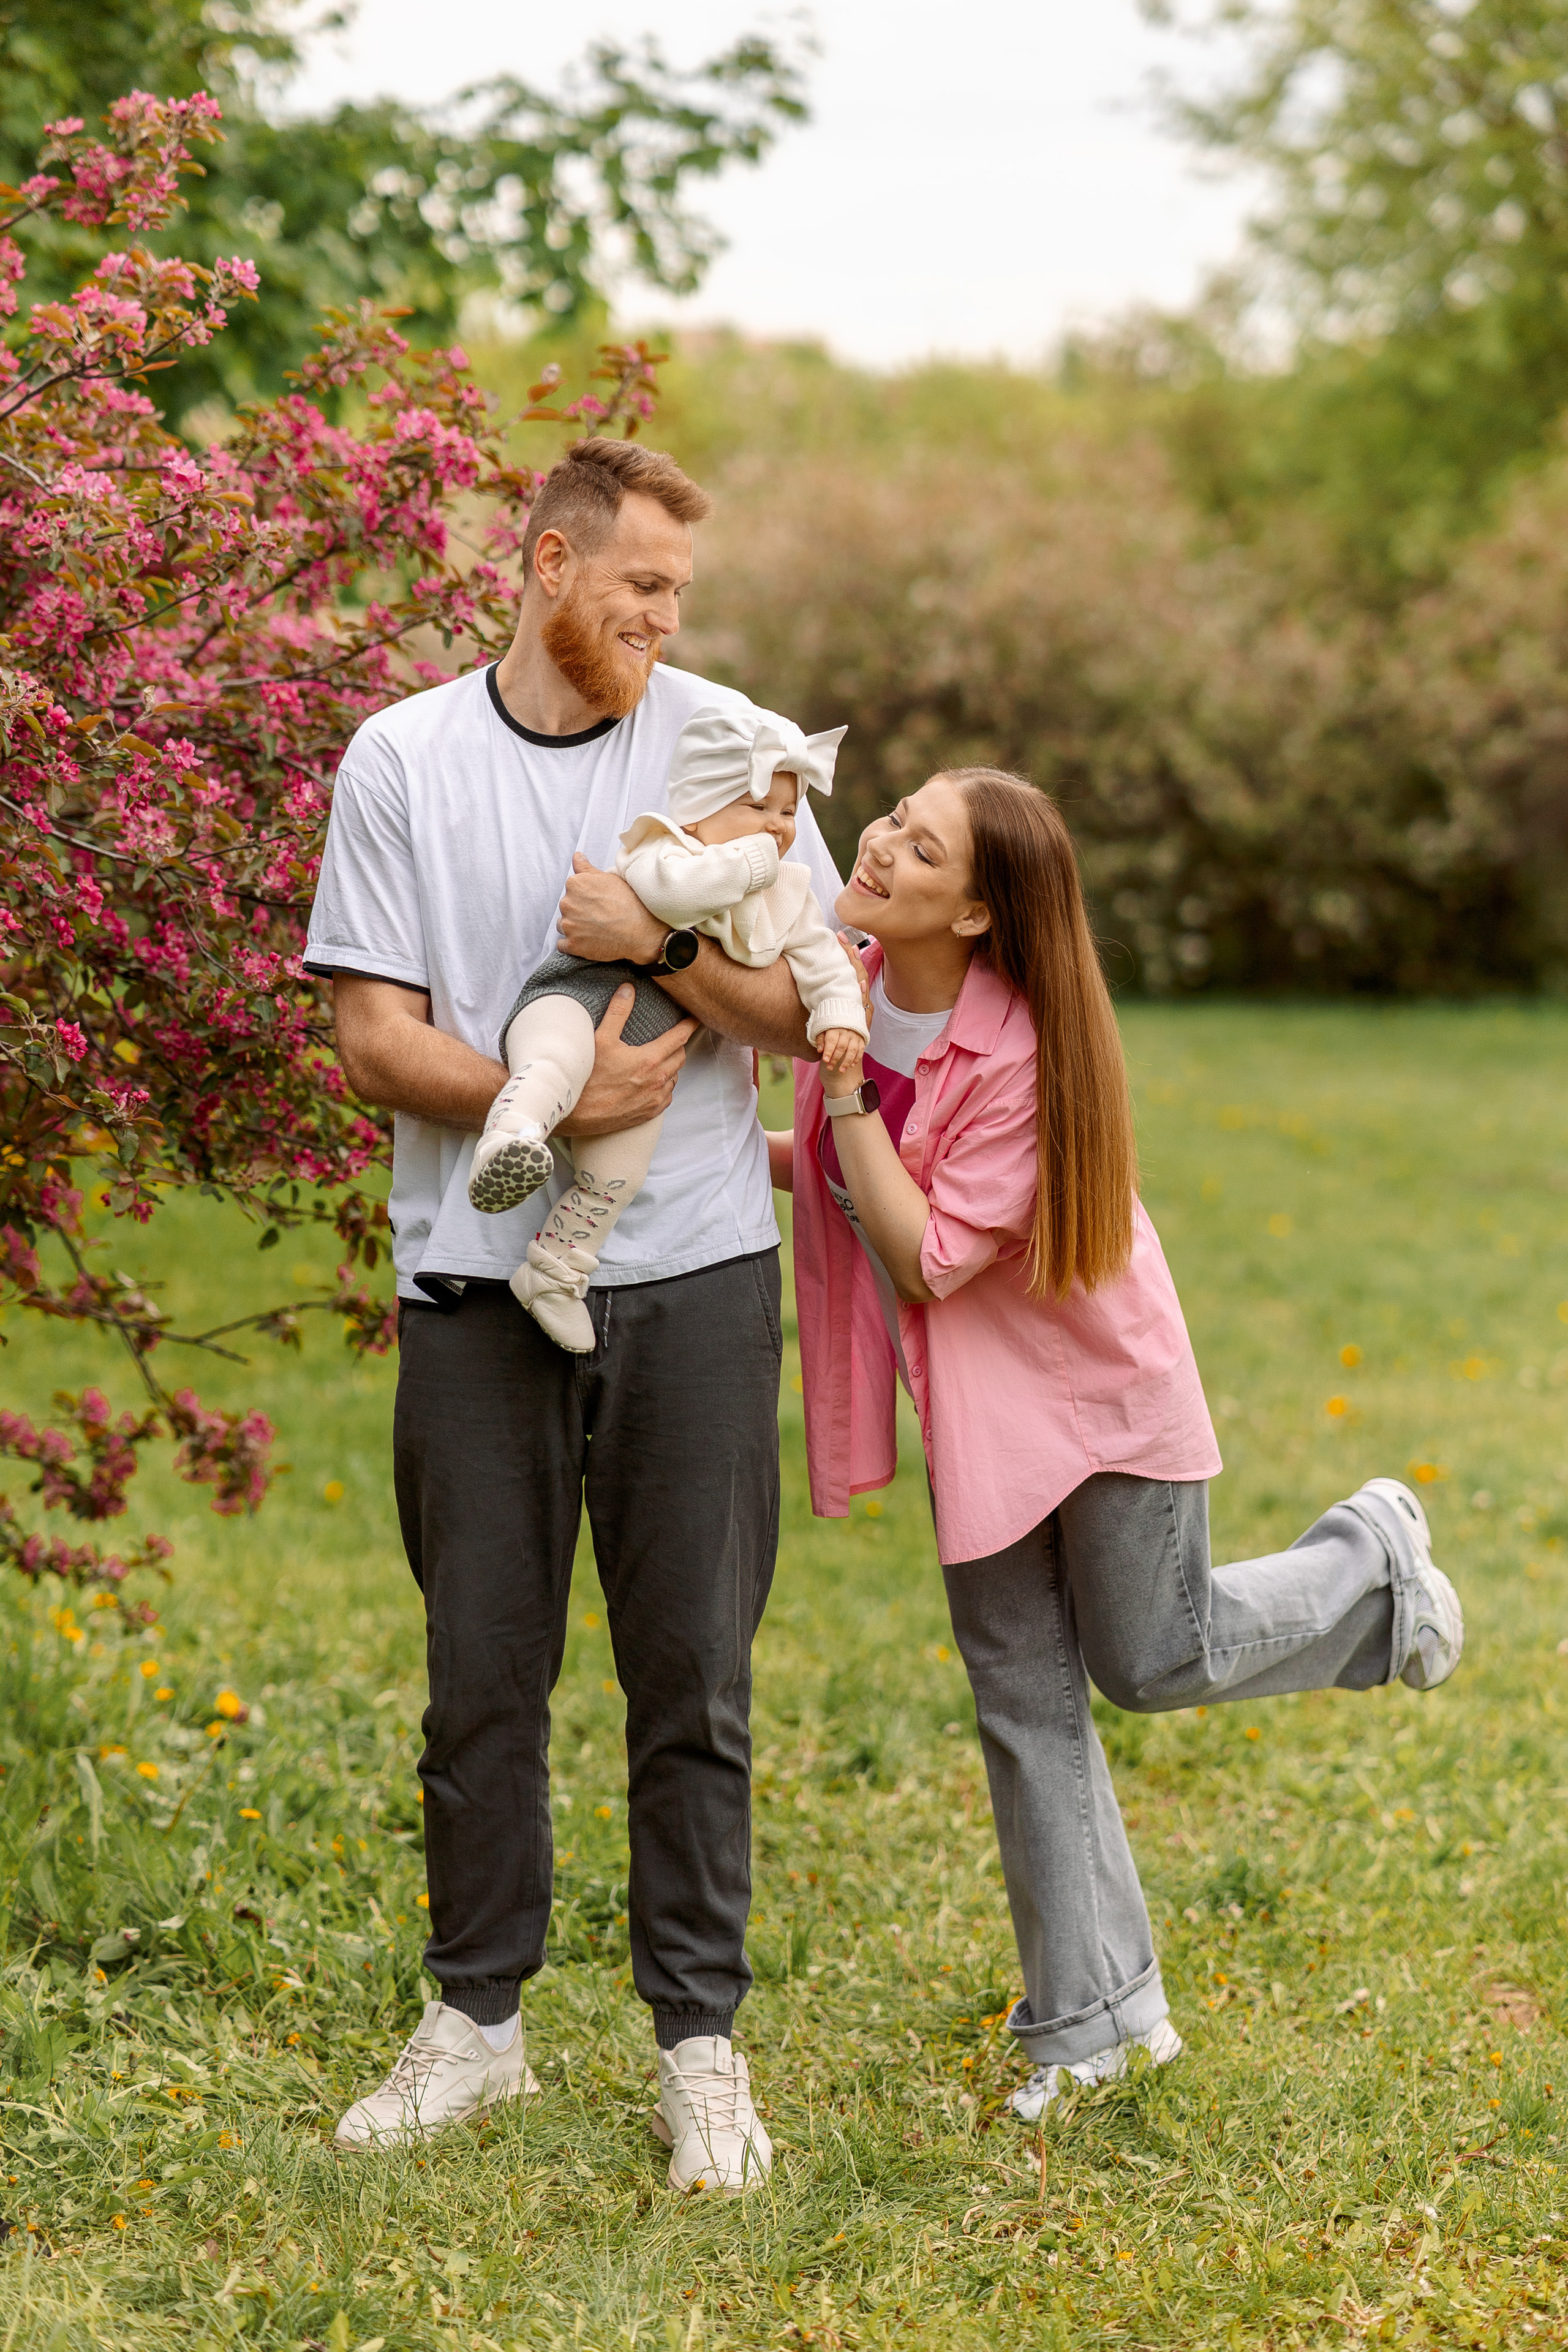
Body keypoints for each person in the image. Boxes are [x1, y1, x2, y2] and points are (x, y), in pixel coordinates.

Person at [304, 435, 842, 2192]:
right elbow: (371, 1035)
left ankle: (701, 2045)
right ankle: (479, 2026)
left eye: (681, 592)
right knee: (482, 1677)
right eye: (643, 590)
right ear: (548, 565)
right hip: (472, 1280)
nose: (671, 621)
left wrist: (664, 951)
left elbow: (804, 996)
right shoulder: (403, 757)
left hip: (692, 1277)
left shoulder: (733, 742)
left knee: (691, 1671)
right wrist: (553, 1109)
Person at [775, 766, 1464, 2121]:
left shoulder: (1015, 1050)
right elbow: (825, 1178)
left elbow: (919, 1255)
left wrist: (846, 1093)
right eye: (893, 816)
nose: (879, 842)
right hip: (981, 1415)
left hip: (1097, 1403)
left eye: (920, 846)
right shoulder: (845, 974)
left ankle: (1366, 1566)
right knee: (1023, 1703)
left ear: (975, 913)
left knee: (1153, 1662)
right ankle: (1092, 2024)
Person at [467, 703, 866, 1352]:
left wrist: (840, 1014)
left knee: (617, 1173)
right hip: (575, 998)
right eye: (758, 807)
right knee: (552, 1062)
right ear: (700, 806)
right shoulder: (663, 848)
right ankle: (511, 1137)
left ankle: (554, 1272)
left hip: (645, 1064)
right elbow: (679, 898)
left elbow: (822, 960)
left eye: (789, 814)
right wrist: (750, 865)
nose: (777, 828)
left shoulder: (787, 894)